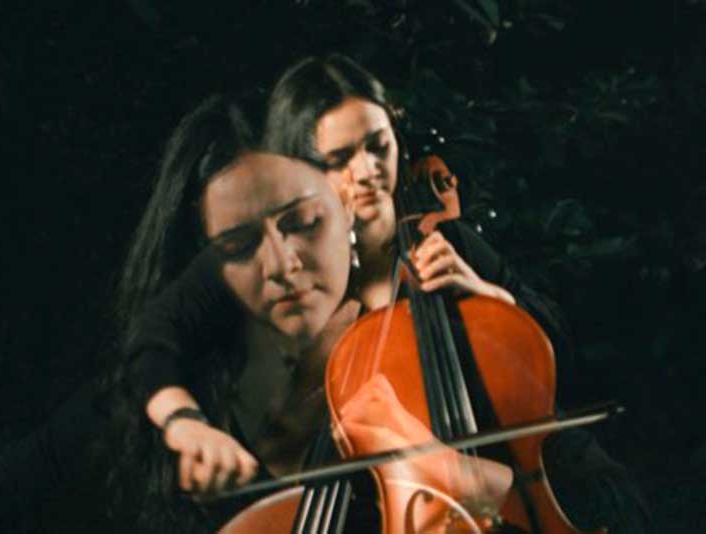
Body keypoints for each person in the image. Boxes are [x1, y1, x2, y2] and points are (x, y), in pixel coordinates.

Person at [126, 55, 650, 532]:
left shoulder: (452, 242)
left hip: (538, 488)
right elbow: (161, 332)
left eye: (379, 147)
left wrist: (486, 296)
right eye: (339, 159)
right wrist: (185, 421)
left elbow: (560, 358)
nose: (368, 172)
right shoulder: (291, 279)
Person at [110, 92, 516, 533]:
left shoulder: (408, 308)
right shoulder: (199, 358)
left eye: (302, 221)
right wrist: (184, 423)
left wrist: (492, 304)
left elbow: (530, 475)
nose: (284, 263)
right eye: (241, 243)